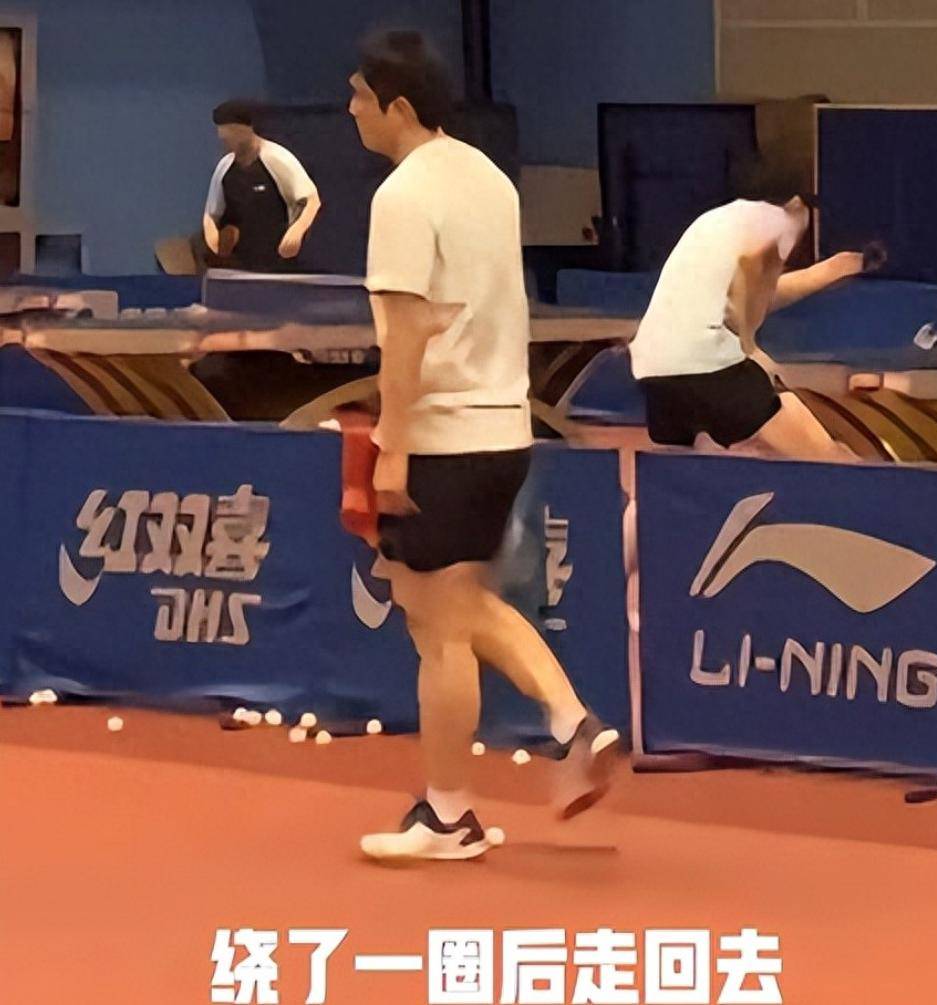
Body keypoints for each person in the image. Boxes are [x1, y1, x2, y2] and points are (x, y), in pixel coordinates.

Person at [348, 30, 618, 862]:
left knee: (440, 625)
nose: (350, 110)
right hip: (506, 431)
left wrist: (393, 446)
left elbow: (406, 333)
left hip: (441, 435)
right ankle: (565, 726)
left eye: (358, 96)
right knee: (454, 605)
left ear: (397, 105)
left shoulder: (403, 196)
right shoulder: (490, 179)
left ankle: (454, 810)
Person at [631, 193, 883, 459]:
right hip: (708, 369)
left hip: (653, 376)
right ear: (796, 209)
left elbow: (759, 296)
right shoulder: (775, 225)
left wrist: (835, 268)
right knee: (829, 458)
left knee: (697, 470)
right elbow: (747, 282)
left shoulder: (719, 225)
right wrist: (749, 346)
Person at [201, 100, 321, 273]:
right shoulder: (224, 167)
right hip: (240, 265)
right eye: (222, 134)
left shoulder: (276, 158)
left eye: (231, 133)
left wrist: (297, 231)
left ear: (246, 130)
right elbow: (211, 214)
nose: (225, 139)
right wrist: (213, 239)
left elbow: (312, 200)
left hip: (279, 261)